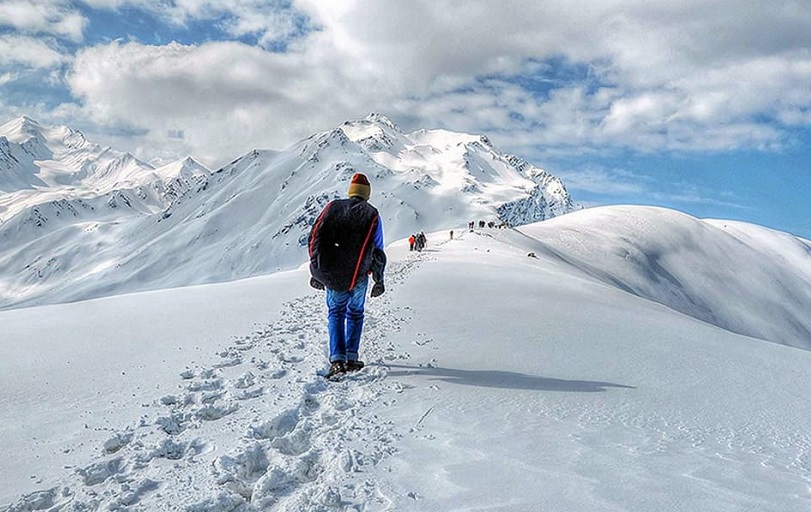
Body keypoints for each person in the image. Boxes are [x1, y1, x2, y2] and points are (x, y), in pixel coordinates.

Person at [308, 172, 386, 379]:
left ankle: (337, 360)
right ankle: (351, 357)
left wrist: (317, 270)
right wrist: (379, 278)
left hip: (333, 274)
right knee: (355, 313)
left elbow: (316, 238)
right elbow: (378, 249)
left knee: (335, 312)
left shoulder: (333, 207)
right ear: (367, 193)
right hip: (359, 275)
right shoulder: (372, 214)